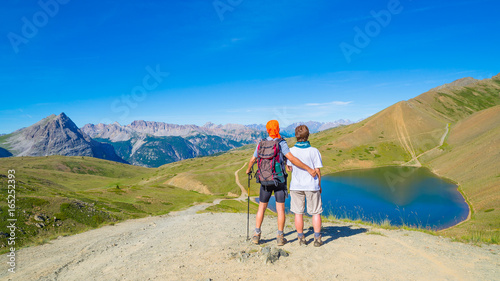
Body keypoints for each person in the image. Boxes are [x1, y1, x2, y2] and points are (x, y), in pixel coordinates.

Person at [245, 120, 317, 246]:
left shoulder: (261, 143)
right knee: (280, 210)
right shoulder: (281, 142)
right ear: (277, 129)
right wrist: (308, 169)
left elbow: (253, 159)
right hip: (279, 180)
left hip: (265, 180)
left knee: (261, 207)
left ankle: (256, 235)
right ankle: (280, 237)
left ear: (268, 130)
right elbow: (292, 158)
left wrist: (248, 169)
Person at [286, 125, 324, 247]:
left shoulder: (290, 151)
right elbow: (317, 170)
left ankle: (301, 237)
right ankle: (317, 239)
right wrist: (319, 184)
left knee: (298, 212)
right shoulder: (314, 151)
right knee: (316, 212)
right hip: (311, 185)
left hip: (296, 186)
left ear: (296, 136)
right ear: (308, 136)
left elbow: (289, 168)